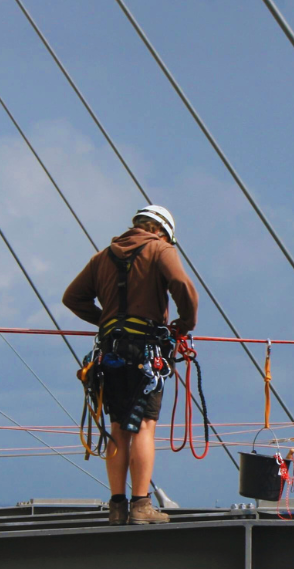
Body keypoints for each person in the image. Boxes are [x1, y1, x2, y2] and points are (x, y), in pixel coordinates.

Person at [63, 205, 198, 526]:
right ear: (161, 231)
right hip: (145, 352)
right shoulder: (160, 249)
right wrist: (184, 324)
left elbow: (73, 298)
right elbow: (182, 286)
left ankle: (117, 506)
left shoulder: (102, 257)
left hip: (110, 353)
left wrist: (107, 322)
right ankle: (141, 505)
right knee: (144, 427)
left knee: (118, 428)